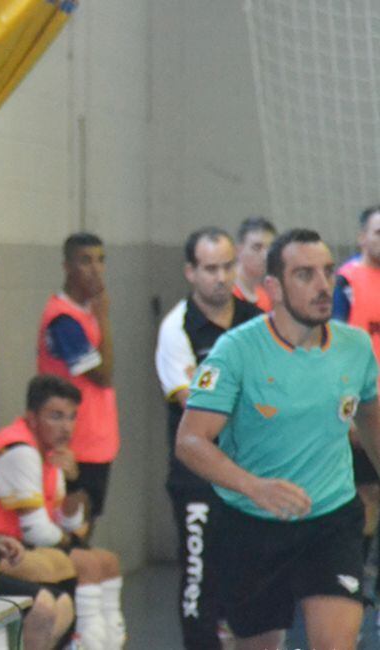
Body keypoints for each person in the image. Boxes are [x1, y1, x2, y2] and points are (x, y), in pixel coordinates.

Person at [176, 229, 380, 650]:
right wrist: (255, 487)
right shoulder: (236, 351)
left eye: (327, 272)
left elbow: (374, 421)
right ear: (274, 287)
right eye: (305, 274)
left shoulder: (356, 347)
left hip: (331, 519)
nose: (324, 286)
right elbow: (190, 442)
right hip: (251, 525)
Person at [0, 375, 126, 650]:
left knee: (108, 561)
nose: (66, 427)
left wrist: (75, 482)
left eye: (72, 417)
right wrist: (71, 540)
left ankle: (109, 641)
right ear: (32, 417)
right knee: (89, 563)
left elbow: (68, 521)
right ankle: (88, 642)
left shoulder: (50, 453)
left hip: (19, 544)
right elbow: (38, 530)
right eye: (56, 416)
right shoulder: (20, 451)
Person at [155, 227, 260, 649]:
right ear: (191, 272)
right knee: (200, 576)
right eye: (211, 268)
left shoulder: (257, 322)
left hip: (251, 475)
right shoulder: (177, 328)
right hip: (197, 478)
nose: (221, 277)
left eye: (227, 266)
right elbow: (191, 403)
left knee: (250, 577)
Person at [36, 232, 118, 531]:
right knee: (75, 532)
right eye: (85, 261)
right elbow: (103, 373)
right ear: (67, 267)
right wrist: (105, 318)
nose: (96, 269)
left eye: (100, 260)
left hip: (98, 443)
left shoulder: (86, 313)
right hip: (75, 444)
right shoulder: (64, 320)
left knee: (88, 526)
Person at [334, 205, 380, 571]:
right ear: (362, 237)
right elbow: (332, 347)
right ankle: (352, 578)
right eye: (377, 232)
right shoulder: (345, 284)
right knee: (364, 494)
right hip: (362, 409)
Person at [232, 216, 276, 312]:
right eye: (257, 247)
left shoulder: (265, 297)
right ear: (238, 251)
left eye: (271, 248)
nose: (266, 255)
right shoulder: (225, 295)